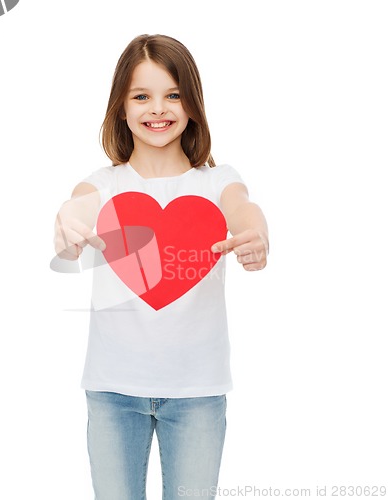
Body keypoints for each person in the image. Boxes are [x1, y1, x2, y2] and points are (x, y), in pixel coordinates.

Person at [54, 34, 269, 500]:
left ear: (192, 103)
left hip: (197, 394)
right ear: (122, 108)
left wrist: (256, 234)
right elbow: (78, 207)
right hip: (112, 393)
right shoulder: (104, 184)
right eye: (142, 96)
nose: (159, 108)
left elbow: (243, 208)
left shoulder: (216, 182)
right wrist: (67, 226)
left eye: (173, 94)